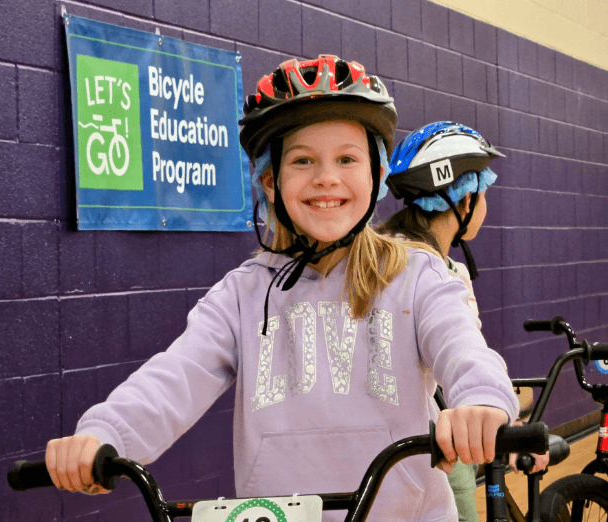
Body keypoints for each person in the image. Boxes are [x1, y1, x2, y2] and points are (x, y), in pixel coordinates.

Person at [45, 57, 519, 522]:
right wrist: (106, 432)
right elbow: (175, 375)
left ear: (375, 174)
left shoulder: (417, 276)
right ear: (271, 182)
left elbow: (462, 345)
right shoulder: (242, 294)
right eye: (303, 160)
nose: (326, 177)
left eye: (347, 158)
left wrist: (479, 397)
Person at [377, 121, 549, 521]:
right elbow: (462, 361)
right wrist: (514, 427)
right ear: (465, 200)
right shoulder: (439, 273)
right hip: (429, 456)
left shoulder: (381, 258)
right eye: (484, 192)